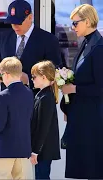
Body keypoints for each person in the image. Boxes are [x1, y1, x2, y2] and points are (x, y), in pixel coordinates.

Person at [60, 4, 103, 179]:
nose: (72, 27)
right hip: (82, 116)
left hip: (93, 119)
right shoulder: (86, 44)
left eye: (76, 23)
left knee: (94, 168)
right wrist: (67, 106)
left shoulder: (99, 48)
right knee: (87, 169)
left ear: (87, 21)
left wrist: (74, 88)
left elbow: (100, 87)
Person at [0, 0, 62, 93]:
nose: (15, 26)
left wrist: (29, 79)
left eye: (19, 22)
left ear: (30, 17)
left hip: (35, 101)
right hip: (7, 100)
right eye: (12, 22)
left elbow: (54, 72)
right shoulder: (4, 37)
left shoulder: (48, 40)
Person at [0, 57, 34, 179]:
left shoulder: (2, 96)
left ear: (6, 74)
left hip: (5, 149)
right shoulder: (29, 93)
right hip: (24, 148)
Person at [30, 61, 61, 179]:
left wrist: (35, 151)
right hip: (42, 150)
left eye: (34, 76)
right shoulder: (41, 95)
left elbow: (43, 127)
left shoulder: (46, 98)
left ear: (43, 77)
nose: (32, 79)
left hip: (43, 150)